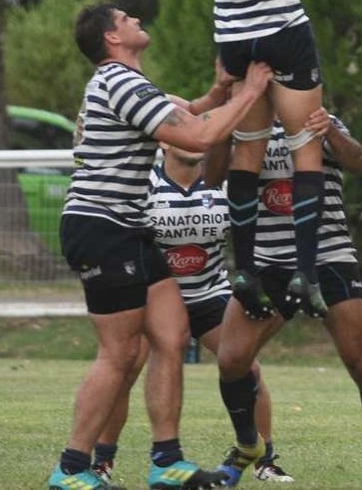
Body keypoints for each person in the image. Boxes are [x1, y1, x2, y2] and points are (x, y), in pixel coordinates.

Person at [48, 5, 272, 490]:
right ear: (112, 37)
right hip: (101, 227)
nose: (136, 20)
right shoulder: (119, 81)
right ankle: (70, 469)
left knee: (171, 336)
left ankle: (167, 461)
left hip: (130, 228)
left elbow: (185, 112)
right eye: (126, 18)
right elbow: (200, 134)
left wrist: (218, 92)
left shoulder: (127, 84)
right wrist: (251, 92)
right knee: (120, 353)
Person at [186, 0, 337, 320]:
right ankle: (308, 272)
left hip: (234, 42)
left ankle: (246, 269)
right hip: (283, 33)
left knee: (247, 156)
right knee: (306, 149)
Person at [209, 110, 362, 488]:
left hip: (329, 257)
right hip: (268, 262)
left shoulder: (318, 116)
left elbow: (358, 161)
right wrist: (222, 130)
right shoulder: (246, 122)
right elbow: (211, 177)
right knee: (232, 360)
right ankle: (249, 445)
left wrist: (329, 129)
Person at [92, 141, 292, 486]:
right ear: (165, 141)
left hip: (209, 294)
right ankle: (102, 462)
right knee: (124, 369)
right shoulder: (144, 186)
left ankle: (265, 459)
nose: (196, 139)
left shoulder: (223, 185)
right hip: (152, 297)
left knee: (246, 367)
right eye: (184, 130)